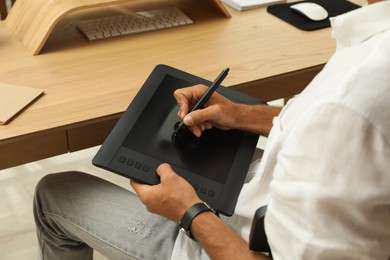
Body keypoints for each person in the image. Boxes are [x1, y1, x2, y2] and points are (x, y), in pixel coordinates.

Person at [33, 1, 390, 259]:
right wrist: (243, 115)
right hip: (271, 200)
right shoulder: (369, 61)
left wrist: (189, 211)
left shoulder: (354, 97)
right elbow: (330, 132)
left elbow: (344, 119)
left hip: (232, 241)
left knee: (53, 191)